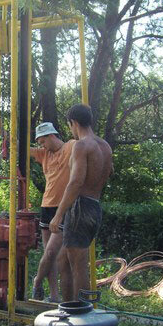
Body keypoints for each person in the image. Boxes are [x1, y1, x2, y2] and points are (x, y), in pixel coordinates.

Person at [49, 104, 113, 301]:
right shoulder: (104, 146)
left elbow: (75, 182)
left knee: (78, 265)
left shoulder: (81, 145)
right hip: (95, 207)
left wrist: (58, 214)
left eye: (69, 126)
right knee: (63, 260)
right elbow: (109, 171)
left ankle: (81, 315)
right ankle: (67, 308)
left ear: (73, 123)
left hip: (81, 207)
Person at [30, 122, 75, 302]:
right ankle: (54, 295)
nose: (42, 146)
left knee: (51, 253)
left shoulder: (70, 147)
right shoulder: (43, 154)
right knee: (48, 254)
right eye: (39, 143)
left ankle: (36, 281)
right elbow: (18, 146)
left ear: (51, 136)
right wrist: (0, 130)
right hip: (46, 206)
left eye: (43, 142)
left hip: (63, 206)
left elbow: (88, 145)